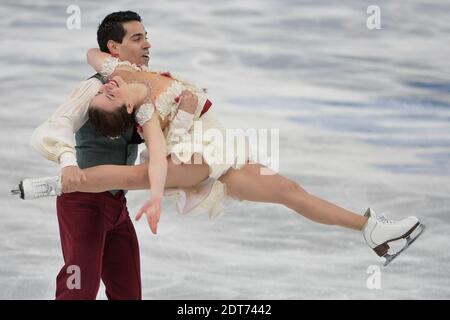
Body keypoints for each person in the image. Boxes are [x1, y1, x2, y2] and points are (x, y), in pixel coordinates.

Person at [57, 39, 426, 267]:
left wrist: (113, 60)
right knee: (133, 177)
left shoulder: (121, 71)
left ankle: (371, 230)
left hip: (218, 151)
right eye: (108, 94)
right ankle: (65, 182)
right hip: (191, 158)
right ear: (123, 110)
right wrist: (183, 115)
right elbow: (159, 154)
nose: (108, 87)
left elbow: (92, 54)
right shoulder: (145, 111)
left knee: (290, 191)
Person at [29, 11, 208, 300]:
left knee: (128, 293)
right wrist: (67, 161)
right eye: (137, 39)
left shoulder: (142, 91)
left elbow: (164, 146)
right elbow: (57, 124)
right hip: (82, 204)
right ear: (114, 48)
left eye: (146, 37)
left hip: (116, 206)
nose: (147, 45)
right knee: (78, 290)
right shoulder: (97, 88)